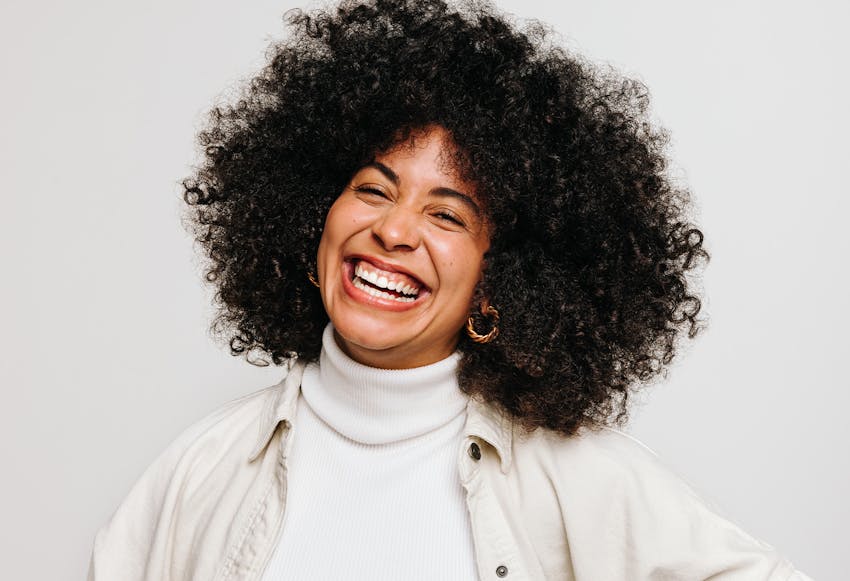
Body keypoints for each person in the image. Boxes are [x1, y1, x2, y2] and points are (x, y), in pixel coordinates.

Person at [88, 0, 812, 579]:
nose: (394, 231)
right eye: (373, 188)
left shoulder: (577, 480)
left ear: (500, 279)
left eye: (446, 214)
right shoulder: (200, 472)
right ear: (313, 219)